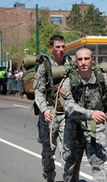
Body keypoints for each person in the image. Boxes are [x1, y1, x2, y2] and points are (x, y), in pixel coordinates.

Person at [59, 47, 107, 182]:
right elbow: (68, 106)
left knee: (98, 167)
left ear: (92, 60)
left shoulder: (102, 79)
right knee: (70, 173)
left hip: (94, 130)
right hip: (73, 130)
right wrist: (90, 114)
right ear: (76, 62)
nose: (83, 62)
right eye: (80, 59)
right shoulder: (68, 81)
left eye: (86, 59)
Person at [34, 34, 71, 182]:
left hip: (66, 114)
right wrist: (44, 110)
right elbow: (38, 91)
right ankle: (49, 178)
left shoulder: (70, 64)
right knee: (48, 151)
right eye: (58, 47)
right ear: (51, 48)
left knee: (67, 150)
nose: (61, 49)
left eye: (63, 46)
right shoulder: (44, 66)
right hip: (49, 114)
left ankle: (68, 178)